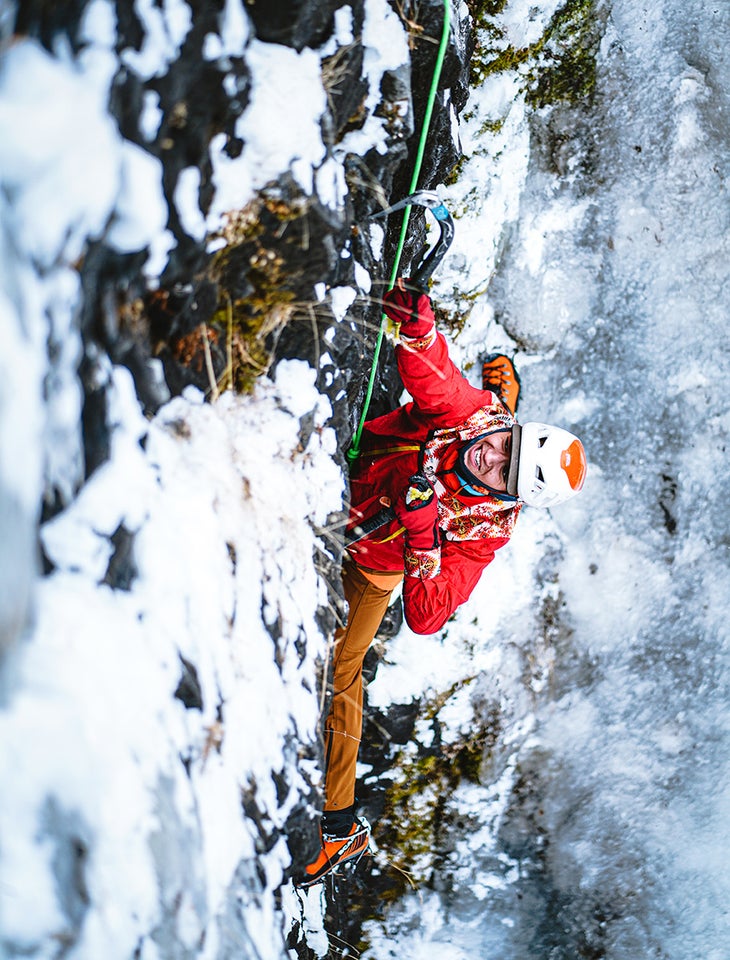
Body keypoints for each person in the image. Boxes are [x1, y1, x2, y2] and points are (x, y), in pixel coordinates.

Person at [295, 279, 587, 887]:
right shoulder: (478, 418)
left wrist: (425, 537)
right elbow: (439, 383)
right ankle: (506, 385)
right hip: (371, 467)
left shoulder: (487, 531)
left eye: (504, 472)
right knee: (445, 405)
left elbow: (428, 617)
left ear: (511, 496)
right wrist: (420, 328)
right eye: (505, 445)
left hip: (375, 561)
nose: (490, 458)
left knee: (340, 670)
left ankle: (338, 825)